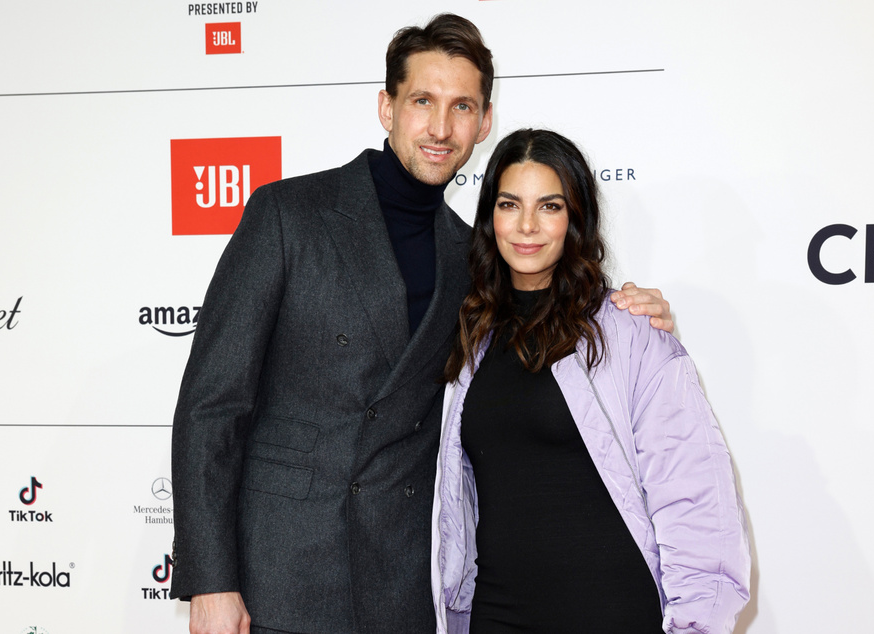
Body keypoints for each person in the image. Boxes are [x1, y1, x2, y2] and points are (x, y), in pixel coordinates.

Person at [170, 15, 674, 634]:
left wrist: (635, 313)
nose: (441, 128)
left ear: (484, 122)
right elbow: (211, 408)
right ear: (387, 108)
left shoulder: (473, 259)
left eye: (462, 106)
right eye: (422, 102)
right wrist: (213, 582)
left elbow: (546, 317)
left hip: (400, 589)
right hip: (278, 579)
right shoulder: (288, 215)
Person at [432, 129, 750, 633]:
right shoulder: (468, 334)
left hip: (610, 613)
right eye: (510, 204)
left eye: (550, 206)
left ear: (575, 217)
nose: (528, 225)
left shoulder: (629, 333)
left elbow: (695, 499)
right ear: (490, 216)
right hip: (496, 615)